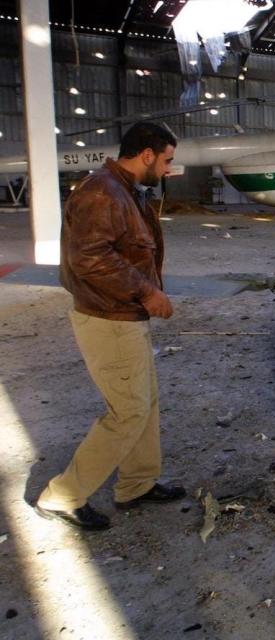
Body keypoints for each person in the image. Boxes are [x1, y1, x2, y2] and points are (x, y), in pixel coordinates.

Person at [34, 122, 185, 531]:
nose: (170, 167)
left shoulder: (124, 190)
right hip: (108, 318)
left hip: (122, 314)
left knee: (145, 402)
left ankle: (136, 484)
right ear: (147, 154)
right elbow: (90, 258)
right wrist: (146, 292)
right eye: (167, 159)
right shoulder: (103, 192)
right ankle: (62, 496)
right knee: (129, 410)